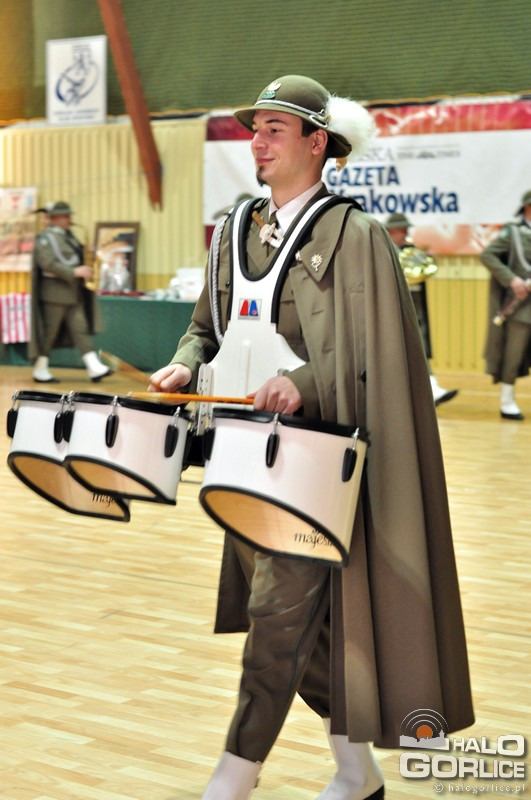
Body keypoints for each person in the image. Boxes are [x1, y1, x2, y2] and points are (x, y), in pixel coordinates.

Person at [150, 75, 474, 799]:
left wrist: (305, 382)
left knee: (275, 617)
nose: (256, 143)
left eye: (274, 129)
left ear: (316, 141)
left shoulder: (354, 235)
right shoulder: (234, 228)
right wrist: (184, 363)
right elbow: (205, 328)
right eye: (253, 130)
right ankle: (357, 771)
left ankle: (232, 778)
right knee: (311, 629)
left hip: (316, 464)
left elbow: (376, 355)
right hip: (239, 456)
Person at [29, 200, 112, 383]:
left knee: (80, 329)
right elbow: (47, 263)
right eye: (65, 216)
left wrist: (87, 252)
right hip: (54, 294)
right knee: (49, 333)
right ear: (55, 218)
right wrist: (74, 272)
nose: (69, 219)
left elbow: (72, 256)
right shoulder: (45, 238)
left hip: (72, 293)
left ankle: (94, 366)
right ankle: (40, 369)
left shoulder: (68, 236)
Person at [385, 212, 458, 406]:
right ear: (391, 231)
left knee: (419, 348)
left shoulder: (410, 250)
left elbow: (424, 271)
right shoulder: (381, 250)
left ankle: (432, 389)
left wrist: (426, 261)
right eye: (402, 230)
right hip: (392, 309)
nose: (406, 233)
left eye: (406, 229)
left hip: (414, 307)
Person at [479, 189, 531, 420]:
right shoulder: (514, 233)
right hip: (522, 306)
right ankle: (507, 400)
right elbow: (487, 255)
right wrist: (512, 280)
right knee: (514, 354)